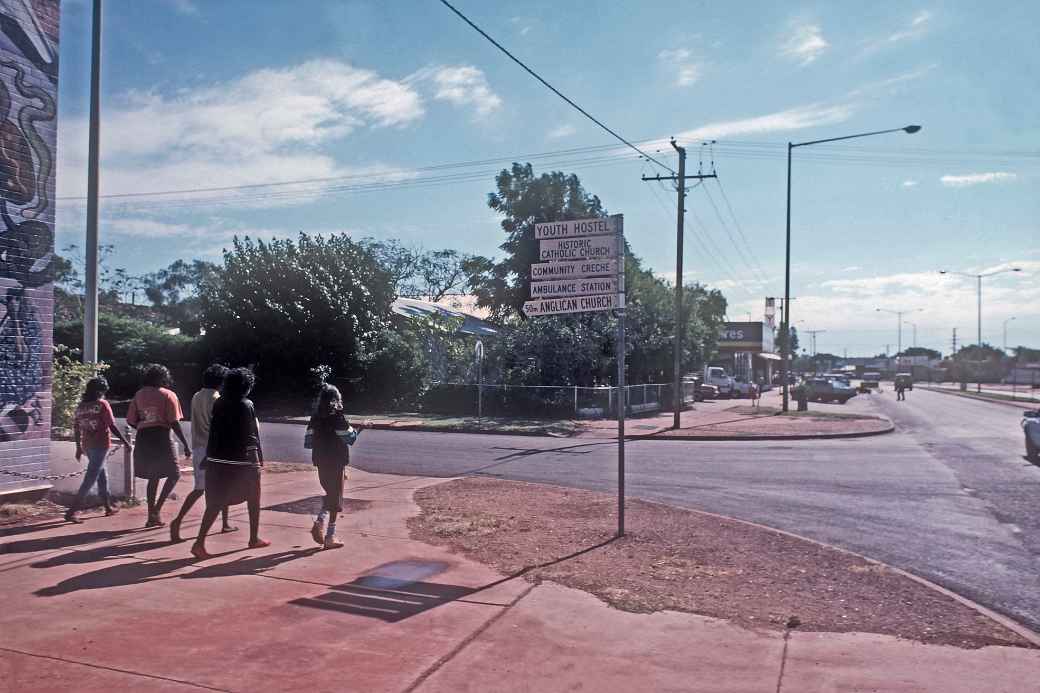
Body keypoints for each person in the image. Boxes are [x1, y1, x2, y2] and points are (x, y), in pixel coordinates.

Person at [191, 368, 269, 559]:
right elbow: (251, 436)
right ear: (246, 387)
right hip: (240, 462)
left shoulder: (219, 403)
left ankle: (199, 543)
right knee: (254, 498)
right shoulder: (246, 404)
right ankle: (253, 538)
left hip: (216, 460)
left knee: (214, 503)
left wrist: (207, 457)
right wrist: (257, 460)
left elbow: (214, 432)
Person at [169, 364, 235, 542]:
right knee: (210, 487)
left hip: (199, 446)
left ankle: (225, 523)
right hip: (213, 448)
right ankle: (177, 521)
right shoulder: (218, 398)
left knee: (213, 486)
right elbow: (219, 427)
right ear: (221, 382)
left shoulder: (197, 396)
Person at [127, 364, 190, 528]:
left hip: (143, 437)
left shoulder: (139, 395)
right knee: (174, 474)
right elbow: (174, 422)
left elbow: (131, 420)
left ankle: (151, 516)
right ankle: (156, 510)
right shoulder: (168, 395)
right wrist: (185, 443)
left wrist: (144, 427)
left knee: (153, 477)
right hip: (162, 436)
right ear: (162, 378)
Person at [65, 376, 132, 523]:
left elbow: (76, 428)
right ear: (100, 391)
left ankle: (107, 507)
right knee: (90, 479)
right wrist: (126, 442)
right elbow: (112, 426)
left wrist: (78, 447)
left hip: (87, 446)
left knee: (102, 476)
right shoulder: (102, 404)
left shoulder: (81, 406)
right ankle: (72, 510)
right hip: (100, 445)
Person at [306, 384, 358, 550]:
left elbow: (308, 441)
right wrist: (361, 427)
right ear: (336, 400)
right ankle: (329, 534)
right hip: (336, 460)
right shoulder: (337, 417)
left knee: (331, 492)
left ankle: (321, 522)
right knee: (336, 497)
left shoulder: (315, 417)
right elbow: (350, 438)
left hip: (320, 459)